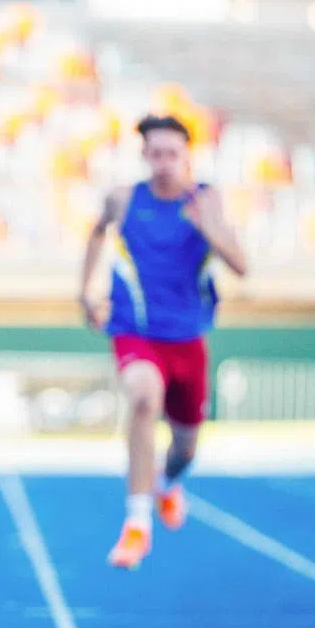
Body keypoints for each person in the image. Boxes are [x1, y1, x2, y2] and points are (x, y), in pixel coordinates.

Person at [79, 114, 247, 570]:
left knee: (185, 448)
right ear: (144, 155)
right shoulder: (123, 198)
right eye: (155, 153)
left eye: (172, 153)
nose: (164, 162)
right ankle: (137, 525)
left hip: (187, 338)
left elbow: (241, 264)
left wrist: (207, 226)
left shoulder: (206, 200)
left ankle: (168, 483)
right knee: (141, 397)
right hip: (135, 330)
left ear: (187, 156)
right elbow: (96, 235)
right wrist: (86, 292)